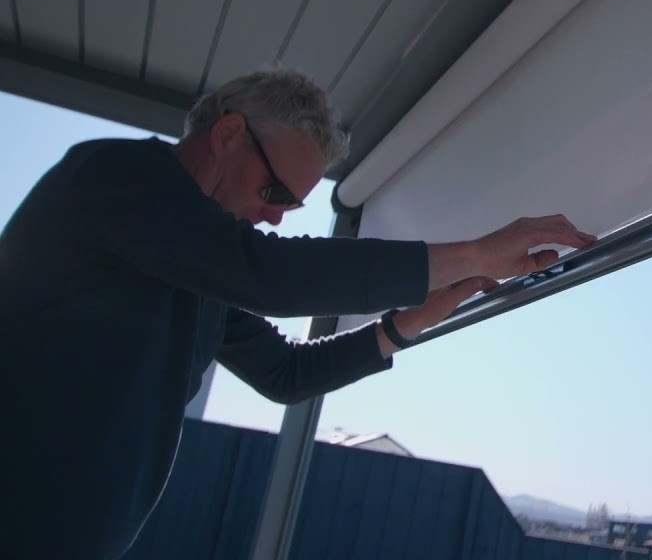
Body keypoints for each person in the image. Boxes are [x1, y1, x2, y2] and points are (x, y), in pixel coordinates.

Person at [0, 67, 595, 560]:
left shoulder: (196, 271)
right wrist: (474, 251)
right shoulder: (112, 178)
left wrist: (414, 317)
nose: (278, 216)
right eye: (276, 193)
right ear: (228, 134)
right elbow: (267, 274)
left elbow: (286, 374)